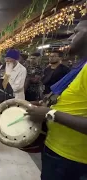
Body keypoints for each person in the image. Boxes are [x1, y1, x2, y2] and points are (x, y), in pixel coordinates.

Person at [26, 16, 87, 180]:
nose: (70, 37)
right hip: (58, 151)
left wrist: (49, 114)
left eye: (76, 32)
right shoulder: (80, 67)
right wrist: (43, 103)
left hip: (74, 161)